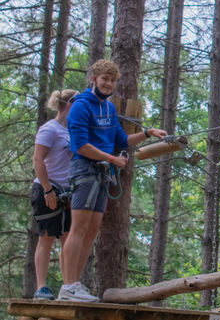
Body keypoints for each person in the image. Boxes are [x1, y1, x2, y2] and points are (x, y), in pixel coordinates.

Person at [60, 60, 167, 302]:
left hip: (102, 172)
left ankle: (74, 285)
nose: (108, 83)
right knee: (78, 229)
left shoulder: (107, 108)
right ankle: (67, 286)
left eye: (112, 80)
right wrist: (111, 159)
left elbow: (121, 140)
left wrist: (148, 133)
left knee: (91, 230)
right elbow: (80, 145)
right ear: (93, 79)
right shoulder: (81, 106)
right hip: (85, 169)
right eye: (104, 79)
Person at [30, 89, 77, 300]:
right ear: (68, 105)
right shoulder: (50, 129)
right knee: (46, 238)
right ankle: (41, 287)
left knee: (67, 239)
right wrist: (48, 189)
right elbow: (37, 160)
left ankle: (68, 286)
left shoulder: (73, 130)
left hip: (67, 192)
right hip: (46, 189)